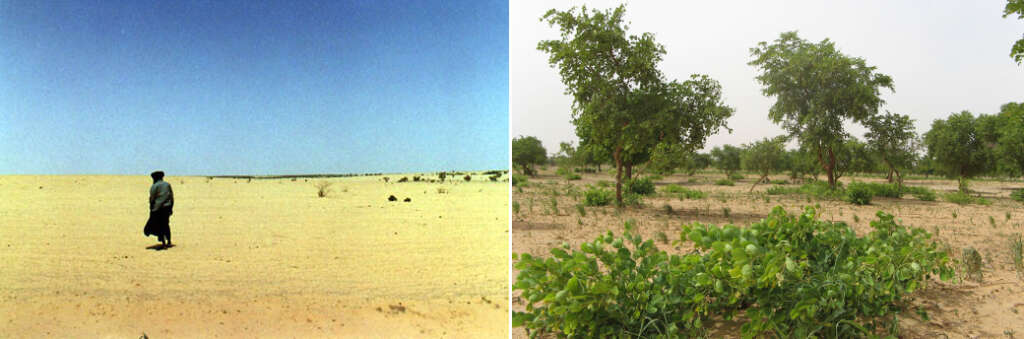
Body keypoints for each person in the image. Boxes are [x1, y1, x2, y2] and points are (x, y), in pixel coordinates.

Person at [143, 171, 174, 247]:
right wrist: (171, 207)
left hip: (157, 209)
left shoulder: (154, 186)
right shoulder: (167, 185)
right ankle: (169, 241)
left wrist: (151, 208)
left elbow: (152, 199)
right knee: (166, 224)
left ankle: (163, 241)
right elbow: (171, 197)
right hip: (167, 207)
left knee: (159, 225)